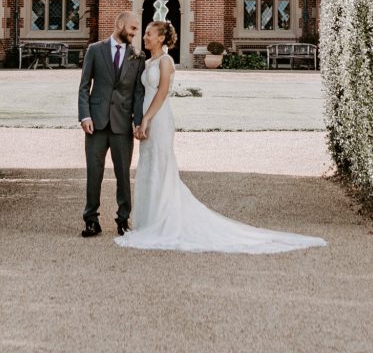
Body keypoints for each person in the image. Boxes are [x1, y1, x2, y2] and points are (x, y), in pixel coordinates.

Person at [116, 20, 327, 255]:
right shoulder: (147, 62)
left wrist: (146, 119)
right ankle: (149, 220)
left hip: (159, 118)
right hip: (147, 115)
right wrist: (139, 119)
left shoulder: (166, 61)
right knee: (148, 166)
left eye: (149, 34)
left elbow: (163, 93)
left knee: (161, 166)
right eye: (144, 33)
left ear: (162, 38)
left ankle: (163, 219)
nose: (145, 37)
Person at [73, 11, 147, 237]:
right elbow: (84, 86)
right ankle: (90, 220)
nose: (135, 34)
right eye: (133, 28)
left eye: (137, 30)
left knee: (123, 174)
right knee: (94, 173)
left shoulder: (138, 57)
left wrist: (136, 122)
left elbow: (138, 94)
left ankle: (123, 219)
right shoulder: (95, 50)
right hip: (95, 123)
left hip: (122, 124)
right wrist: (84, 116)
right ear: (120, 24)